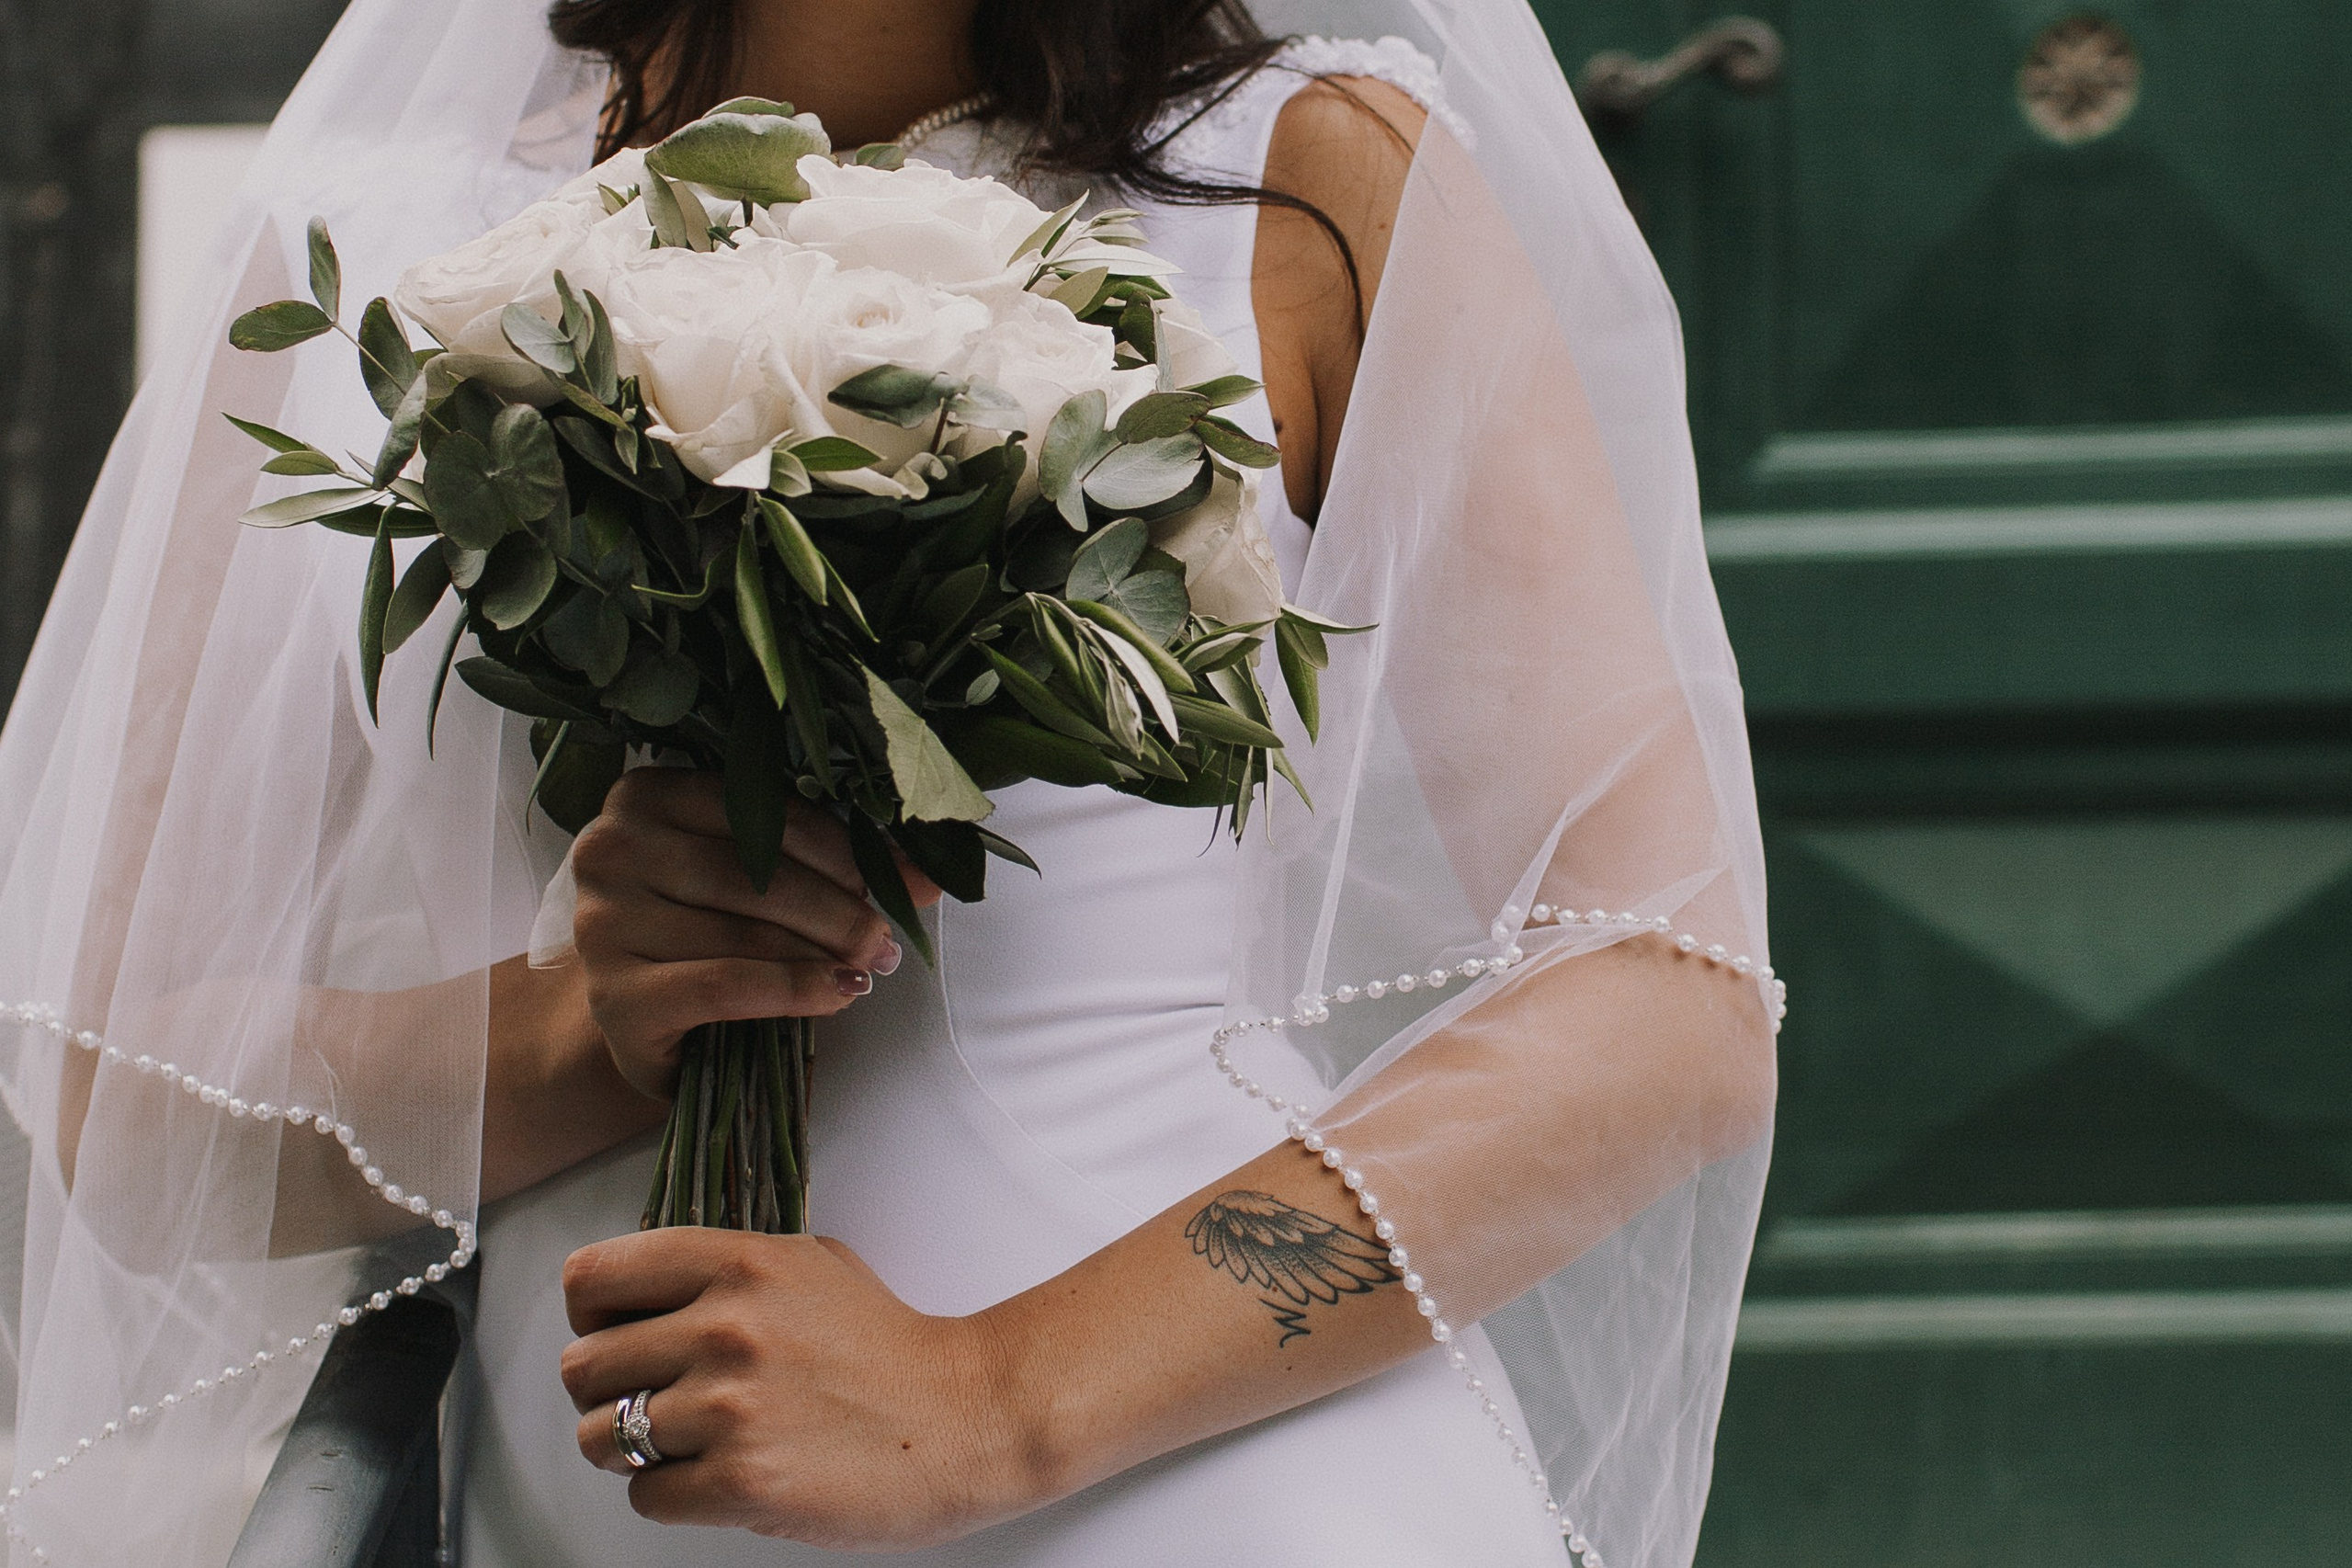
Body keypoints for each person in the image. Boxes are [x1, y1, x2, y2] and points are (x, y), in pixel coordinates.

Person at [0, 1, 1778, 1564]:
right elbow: (115, 1098)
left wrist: (992, 1394)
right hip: (617, 1484)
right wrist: (575, 1032)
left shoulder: (1310, 180)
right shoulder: (376, 244)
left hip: (1204, 1480)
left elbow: (1661, 995)